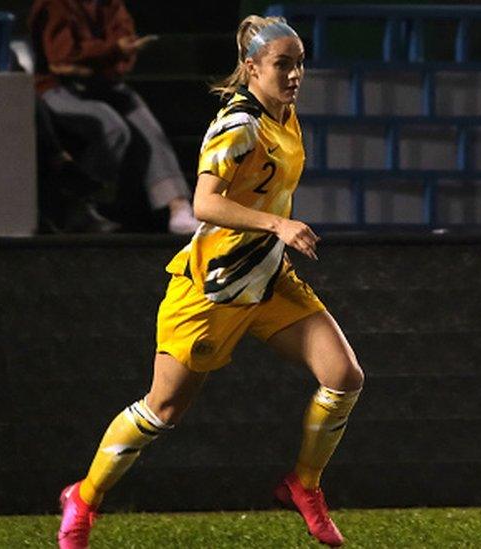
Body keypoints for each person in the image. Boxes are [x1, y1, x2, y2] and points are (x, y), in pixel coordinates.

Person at [56, 14, 365, 549]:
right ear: (251, 68)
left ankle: (304, 485)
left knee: (344, 376)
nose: (294, 74)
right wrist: (279, 224)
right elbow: (204, 202)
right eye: (282, 64)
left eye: (299, 64)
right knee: (162, 409)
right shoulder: (236, 126)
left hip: (267, 278)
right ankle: (83, 499)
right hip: (212, 287)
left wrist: (275, 234)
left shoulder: (285, 114)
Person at [28, 0, 200, 234]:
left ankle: (177, 206)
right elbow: (62, 58)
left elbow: (125, 46)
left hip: (101, 82)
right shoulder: (55, 4)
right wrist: (111, 50)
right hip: (57, 88)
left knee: (145, 122)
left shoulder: (110, 4)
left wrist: (111, 54)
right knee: (111, 126)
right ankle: (81, 204)